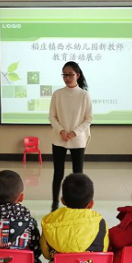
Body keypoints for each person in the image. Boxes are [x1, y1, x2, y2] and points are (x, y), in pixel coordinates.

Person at [41, 174, 108, 263]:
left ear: (63, 201)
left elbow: (45, 253)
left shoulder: (50, 221)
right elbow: (103, 251)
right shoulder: (100, 222)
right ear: (91, 203)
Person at [49, 61, 93, 212]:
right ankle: (55, 203)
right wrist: (61, 131)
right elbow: (52, 116)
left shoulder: (84, 95)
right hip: (59, 138)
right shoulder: (57, 94)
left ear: (77, 75)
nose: (67, 78)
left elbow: (88, 118)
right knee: (58, 173)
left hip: (78, 140)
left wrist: (75, 132)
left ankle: (78, 204)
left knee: (77, 174)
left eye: (70, 74)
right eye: (64, 75)